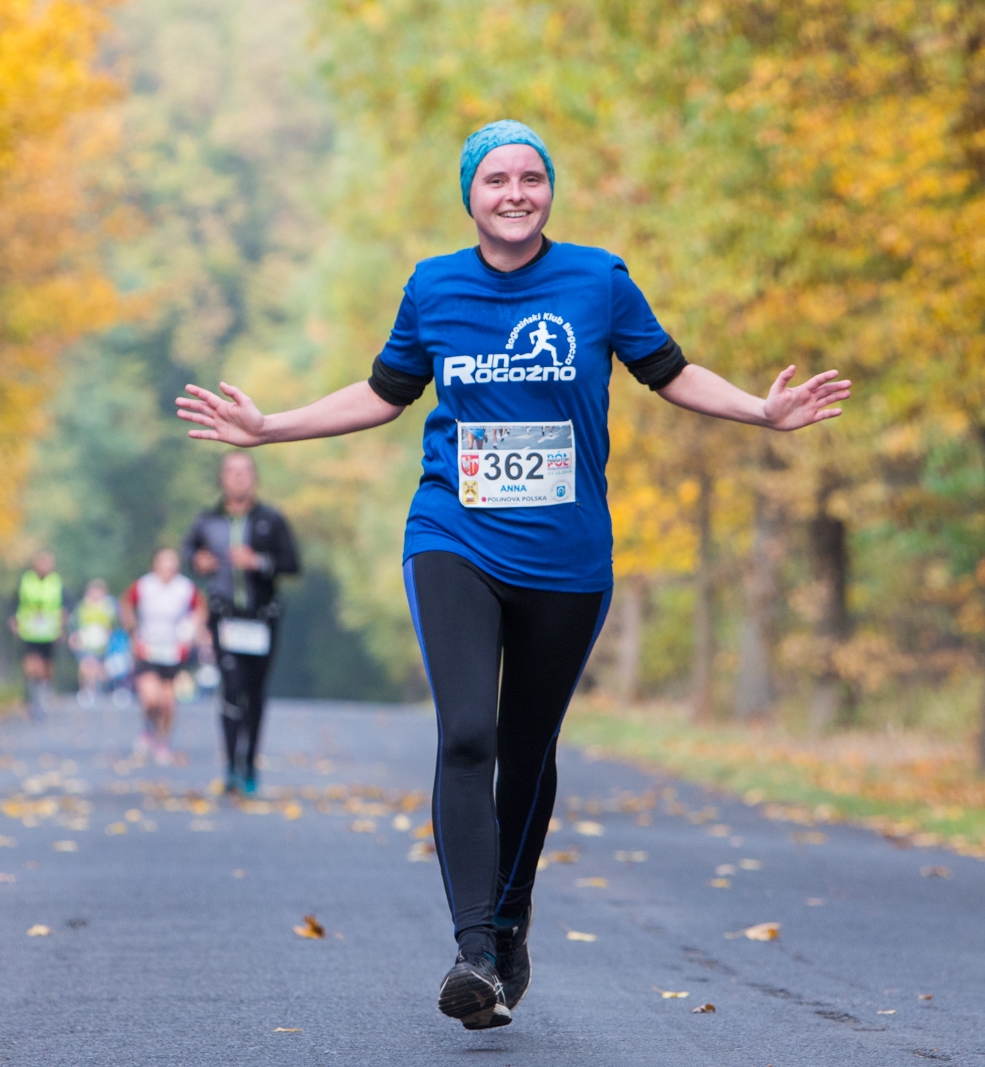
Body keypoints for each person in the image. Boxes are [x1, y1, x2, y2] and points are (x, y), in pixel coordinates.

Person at [176, 119, 850, 1031]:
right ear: (471, 194)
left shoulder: (598, 279)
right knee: (466, 735)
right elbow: (382, 393)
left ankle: (510, 913)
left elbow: (670, 371)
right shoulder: (434, 285)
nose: (516, 192)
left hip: (567, 555)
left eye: (532, 177)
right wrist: (270, 427)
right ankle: (473, 952)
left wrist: (761, 413)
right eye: (497, 178)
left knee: (529, 752)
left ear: (549, 192)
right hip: (454, 531)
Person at [182, 451, 299, 796]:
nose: (238, 478)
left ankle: (250, 764)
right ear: (221, 478)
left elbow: (292, 563)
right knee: (231, 689)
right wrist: (197, 560)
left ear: (254, 478)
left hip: (262, 619)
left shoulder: (271, 520)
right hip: (225, 618)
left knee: (255, 692)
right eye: (231, 472)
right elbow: (188, 552)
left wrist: (258, 562)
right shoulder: (207, 520)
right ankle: (231, 765)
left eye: (245, 471)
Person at [120, 548, 204, 766]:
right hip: (147, 648)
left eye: (172, 565)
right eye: (164, 565)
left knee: (168, 702)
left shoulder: (185, 588)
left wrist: (193, 632)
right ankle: (148, 727)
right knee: (150, 699)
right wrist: (132, 631)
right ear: (155, 566)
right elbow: (126, 603)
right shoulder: (145, 585)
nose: (168, 570)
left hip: (174, 651)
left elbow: (200, 609)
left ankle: (163, 741)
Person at [8, 550, 68, 720]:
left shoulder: (57, 583)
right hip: (29, 632)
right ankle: (32, 700)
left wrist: (63, 622)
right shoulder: (25, 581)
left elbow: (67, 605)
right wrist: (13, 620)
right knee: (32, 668)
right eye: (41, 562)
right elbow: (14, 601)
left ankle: (43, 695)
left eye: (47, 563)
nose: (44, 566)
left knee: (46, 670)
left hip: (49, 633)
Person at [69, 578, 117, 707]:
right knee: (86, 665)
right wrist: (73, 636)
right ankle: (87, 691)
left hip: (102, 643)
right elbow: (74, 622)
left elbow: (115, 623)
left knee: (99, 668)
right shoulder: (82, 606)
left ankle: (102, 689)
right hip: (85, 641)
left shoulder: (109, 606)